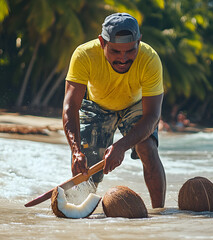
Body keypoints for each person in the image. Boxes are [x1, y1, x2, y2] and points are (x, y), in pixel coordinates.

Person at [62, 13, 166, 208]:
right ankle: (80, 216)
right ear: (102, 42)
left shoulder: (150, 59)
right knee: (84, 163)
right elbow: (70, 107)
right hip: (97, 107)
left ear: (139, 42)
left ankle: (159, 214)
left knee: (148, 148)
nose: (123, 59)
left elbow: (152, 115)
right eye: (115, 51)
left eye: (130, 50)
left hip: (134, 106)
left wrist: (121, 146)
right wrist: (76, 151)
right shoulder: (84, 55)